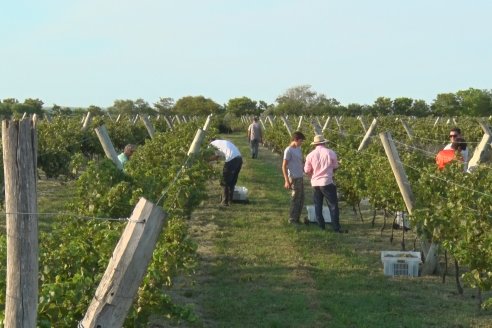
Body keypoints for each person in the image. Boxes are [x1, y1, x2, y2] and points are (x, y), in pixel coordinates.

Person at [304, 135, 347, 233]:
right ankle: (336, 227)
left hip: (315, 183)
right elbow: (335, 166)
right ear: (324, 143)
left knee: (318, 204)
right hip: (327, 182)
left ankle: (321, 226)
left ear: (315, 144)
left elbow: (307, 170)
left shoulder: (310, 155)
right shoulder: (330, 152)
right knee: (333, 205)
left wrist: (312, 175)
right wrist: (330, 171)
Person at [282, 131, 306, 225]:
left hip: (300, 177)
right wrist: (287, 180)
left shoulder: (299, 149)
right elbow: (284, 166)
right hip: (294, 177)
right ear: (295, 140)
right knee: (295, 198)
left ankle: (297, 218)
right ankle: (292, 219)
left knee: (301, 199)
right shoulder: (288, 150)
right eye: (300, 141)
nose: (301, 143)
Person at [210, 139, 243, 206]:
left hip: (232, 159)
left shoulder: (211, 145)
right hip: (239, 158)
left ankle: (224, 202)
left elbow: (215, 156)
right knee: (232, 181)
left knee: (224, 181)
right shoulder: (220, 142)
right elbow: (218, 157)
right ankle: (230, 200)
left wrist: (206, 160)